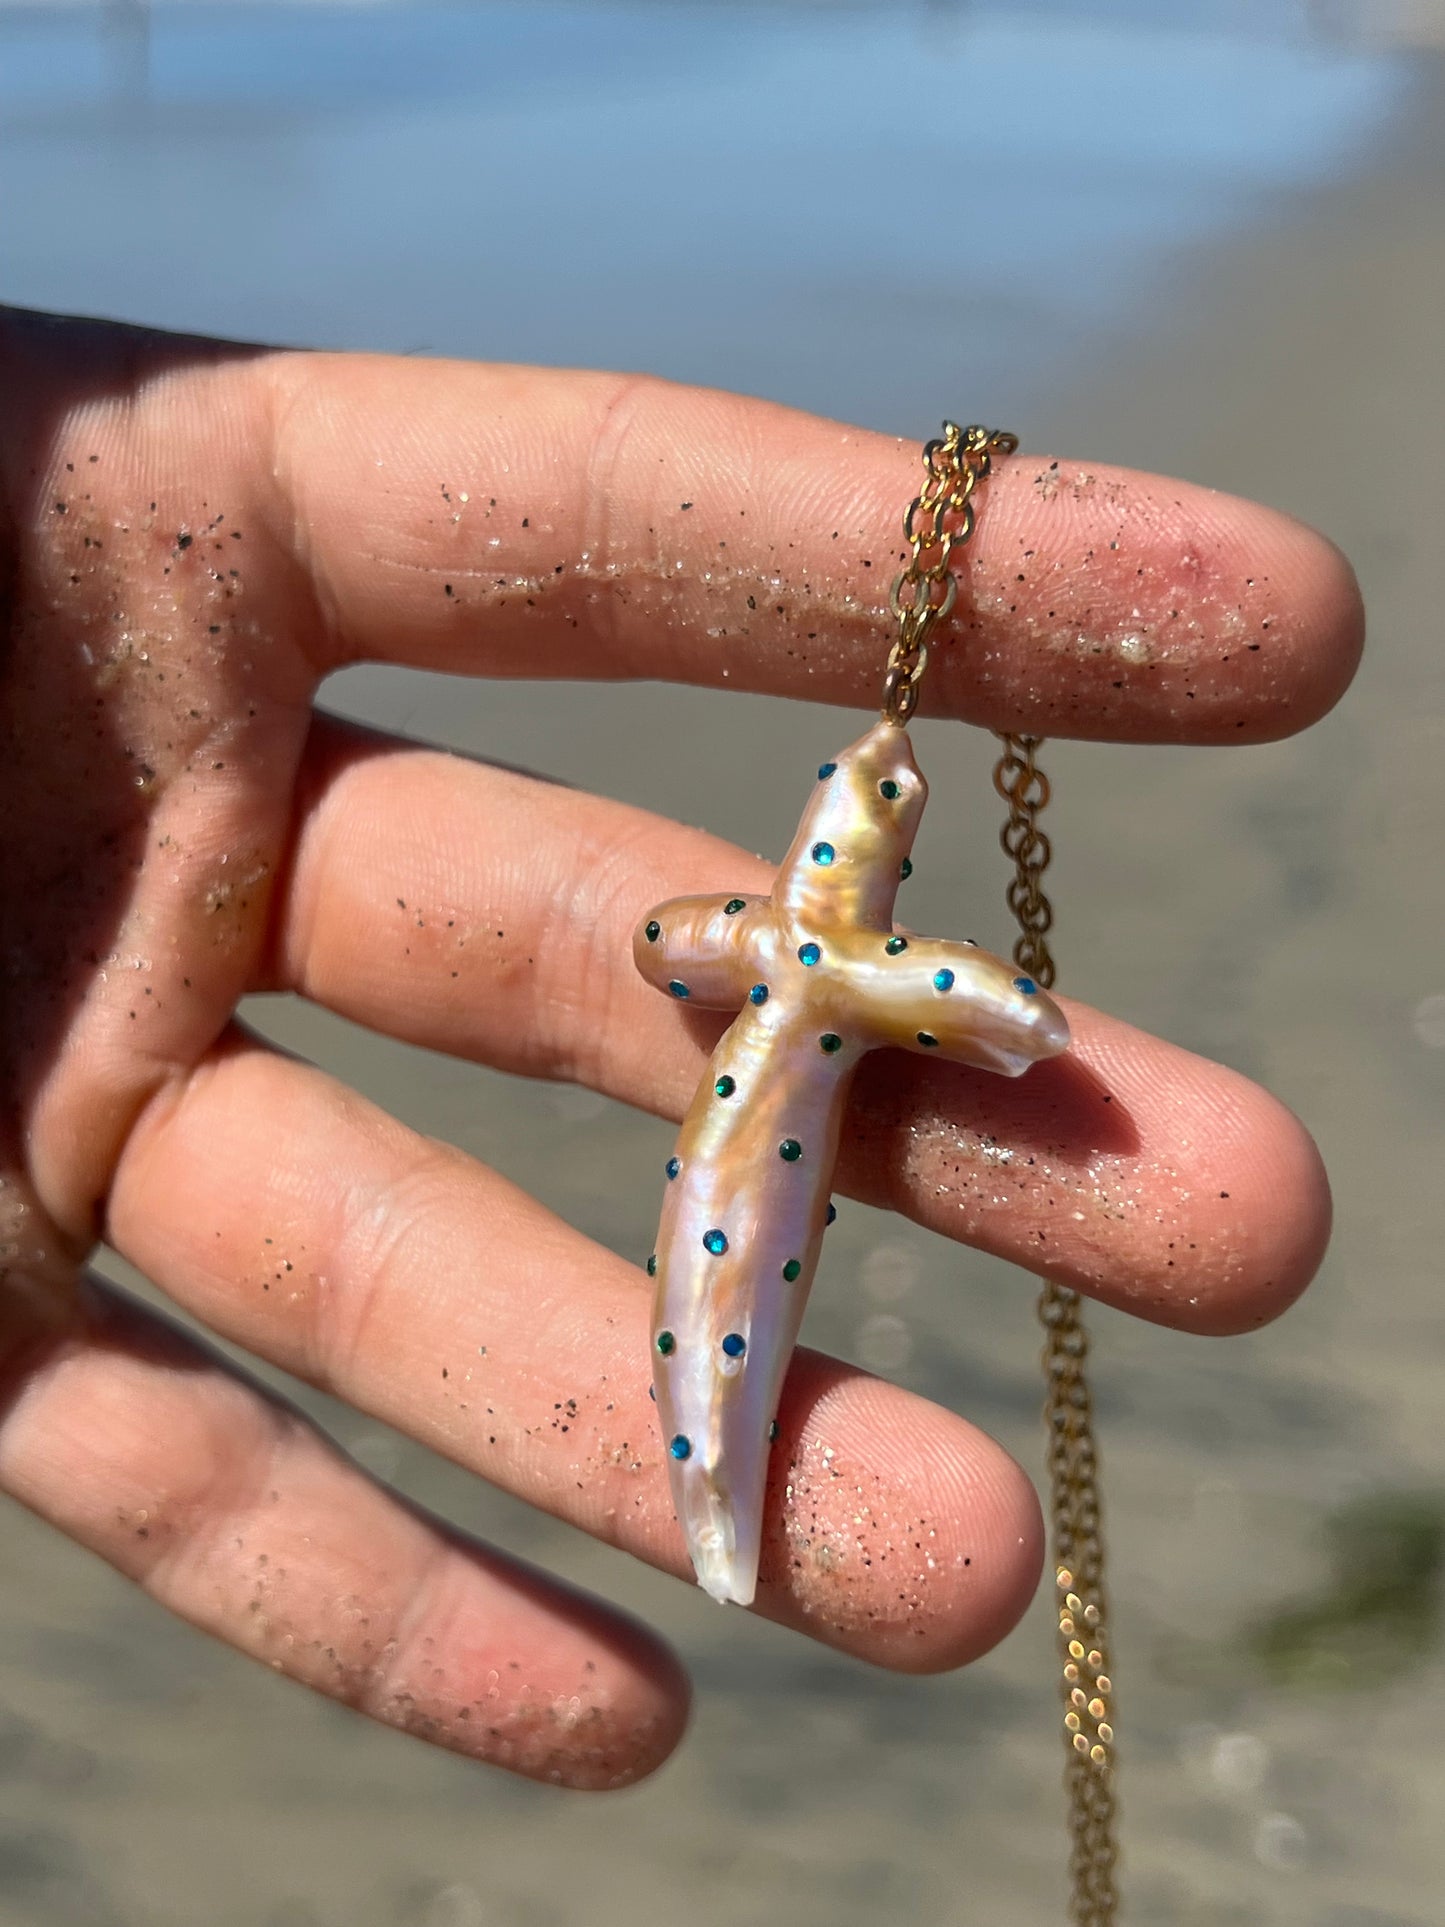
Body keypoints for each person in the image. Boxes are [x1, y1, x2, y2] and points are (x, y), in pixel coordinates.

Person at [0, 307, 1358, 1791]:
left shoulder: (812, 953)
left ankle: (716, 1499)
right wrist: (994, 1013)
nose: (856, 811)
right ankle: (710, 1496)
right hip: (751, 1123)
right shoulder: (814, 956)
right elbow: (943, 1002)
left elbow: (844, 979)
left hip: (756, 1122)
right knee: (714, 1319)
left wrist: (982, 1009)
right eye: (860, 801)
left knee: (724, 1309)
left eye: (866, 807)